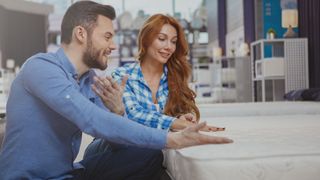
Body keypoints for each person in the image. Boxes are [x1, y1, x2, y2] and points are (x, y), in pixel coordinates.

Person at [0, 1, 233, 180]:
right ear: (81, 34)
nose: (113, 46)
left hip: (68, 173)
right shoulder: (41, 67)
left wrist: (118, 111)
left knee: (149, 156)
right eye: (108, 37)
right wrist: (171, 138)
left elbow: (117, 141)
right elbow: (91, 119)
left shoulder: (90, 80)